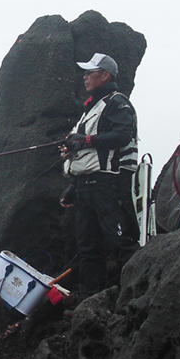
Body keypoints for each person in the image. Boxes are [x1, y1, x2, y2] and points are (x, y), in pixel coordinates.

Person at [59, 53, 140, 297]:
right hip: (85, 188)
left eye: (90, 72)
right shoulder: (90, 108)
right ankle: (89, 301)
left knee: (121, 244)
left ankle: (137, 297)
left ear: (104, 75)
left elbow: (122, 136)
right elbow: (86, 151)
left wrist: (83, 140)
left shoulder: (118, 102)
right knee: (87, 248)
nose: (85, 76)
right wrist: (73, 186)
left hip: (108, 185)